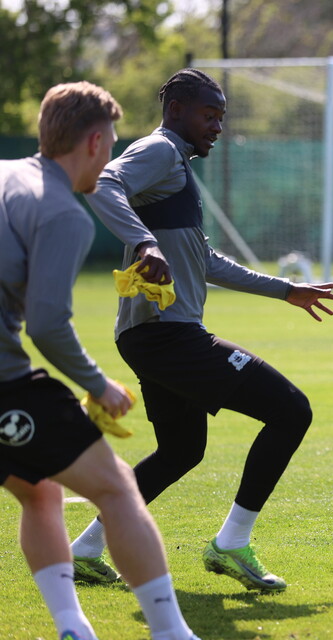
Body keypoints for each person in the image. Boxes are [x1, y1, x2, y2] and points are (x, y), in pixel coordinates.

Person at [68, 68, 333, 593]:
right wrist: (144, 243)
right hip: (166, 337)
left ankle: (84, 549)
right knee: (291, 410)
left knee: (181, 452)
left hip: (156, 337)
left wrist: (285, 290)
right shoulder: (161, 151)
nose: (217, 126)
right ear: (176, 111)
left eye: (221, 117)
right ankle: (231, 543)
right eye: (209, 115)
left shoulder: (176, 165)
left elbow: (206, 261)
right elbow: (102, 181)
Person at [0, 82, 198, 640]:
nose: (110, 156)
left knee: (38, 489)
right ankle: (171, 634)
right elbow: (46, 325)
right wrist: (98, 384)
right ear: (93, 141)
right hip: (5, 382)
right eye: (111, 144)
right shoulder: (64, 211)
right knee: (116, 489)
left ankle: (73, 628)